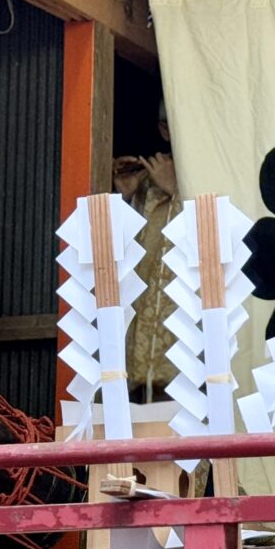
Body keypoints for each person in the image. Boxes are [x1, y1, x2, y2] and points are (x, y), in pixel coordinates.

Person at [112, 101, 179, 404]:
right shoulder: (147, 179)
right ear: (163, 130)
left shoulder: (214, 169)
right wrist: (125, 197)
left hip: (190, 354)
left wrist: (179, 193)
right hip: (139, 350)